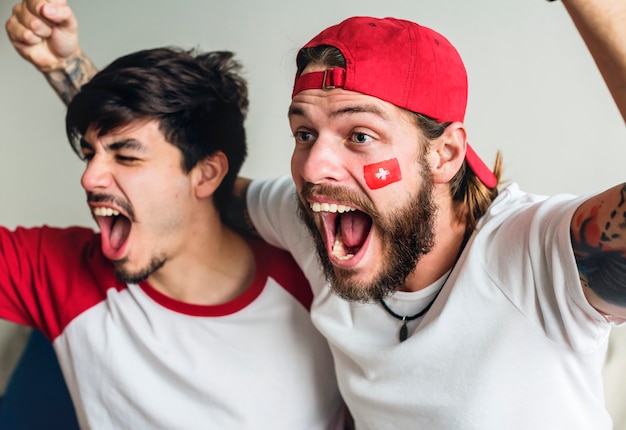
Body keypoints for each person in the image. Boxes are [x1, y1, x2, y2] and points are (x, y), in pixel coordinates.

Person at [7, 0, 626, 429]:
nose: (313, 167)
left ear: (445, 154)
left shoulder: (536, 256)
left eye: (359, 136)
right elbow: (188, 173)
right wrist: (68, 68)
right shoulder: (313, 228)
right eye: (304, 133)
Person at [3, 4, 344, 429]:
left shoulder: (316, 281)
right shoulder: (52, 269)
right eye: (89, 154)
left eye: (126, 156)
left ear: (207, 174)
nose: (89, 177)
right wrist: (61, 65)